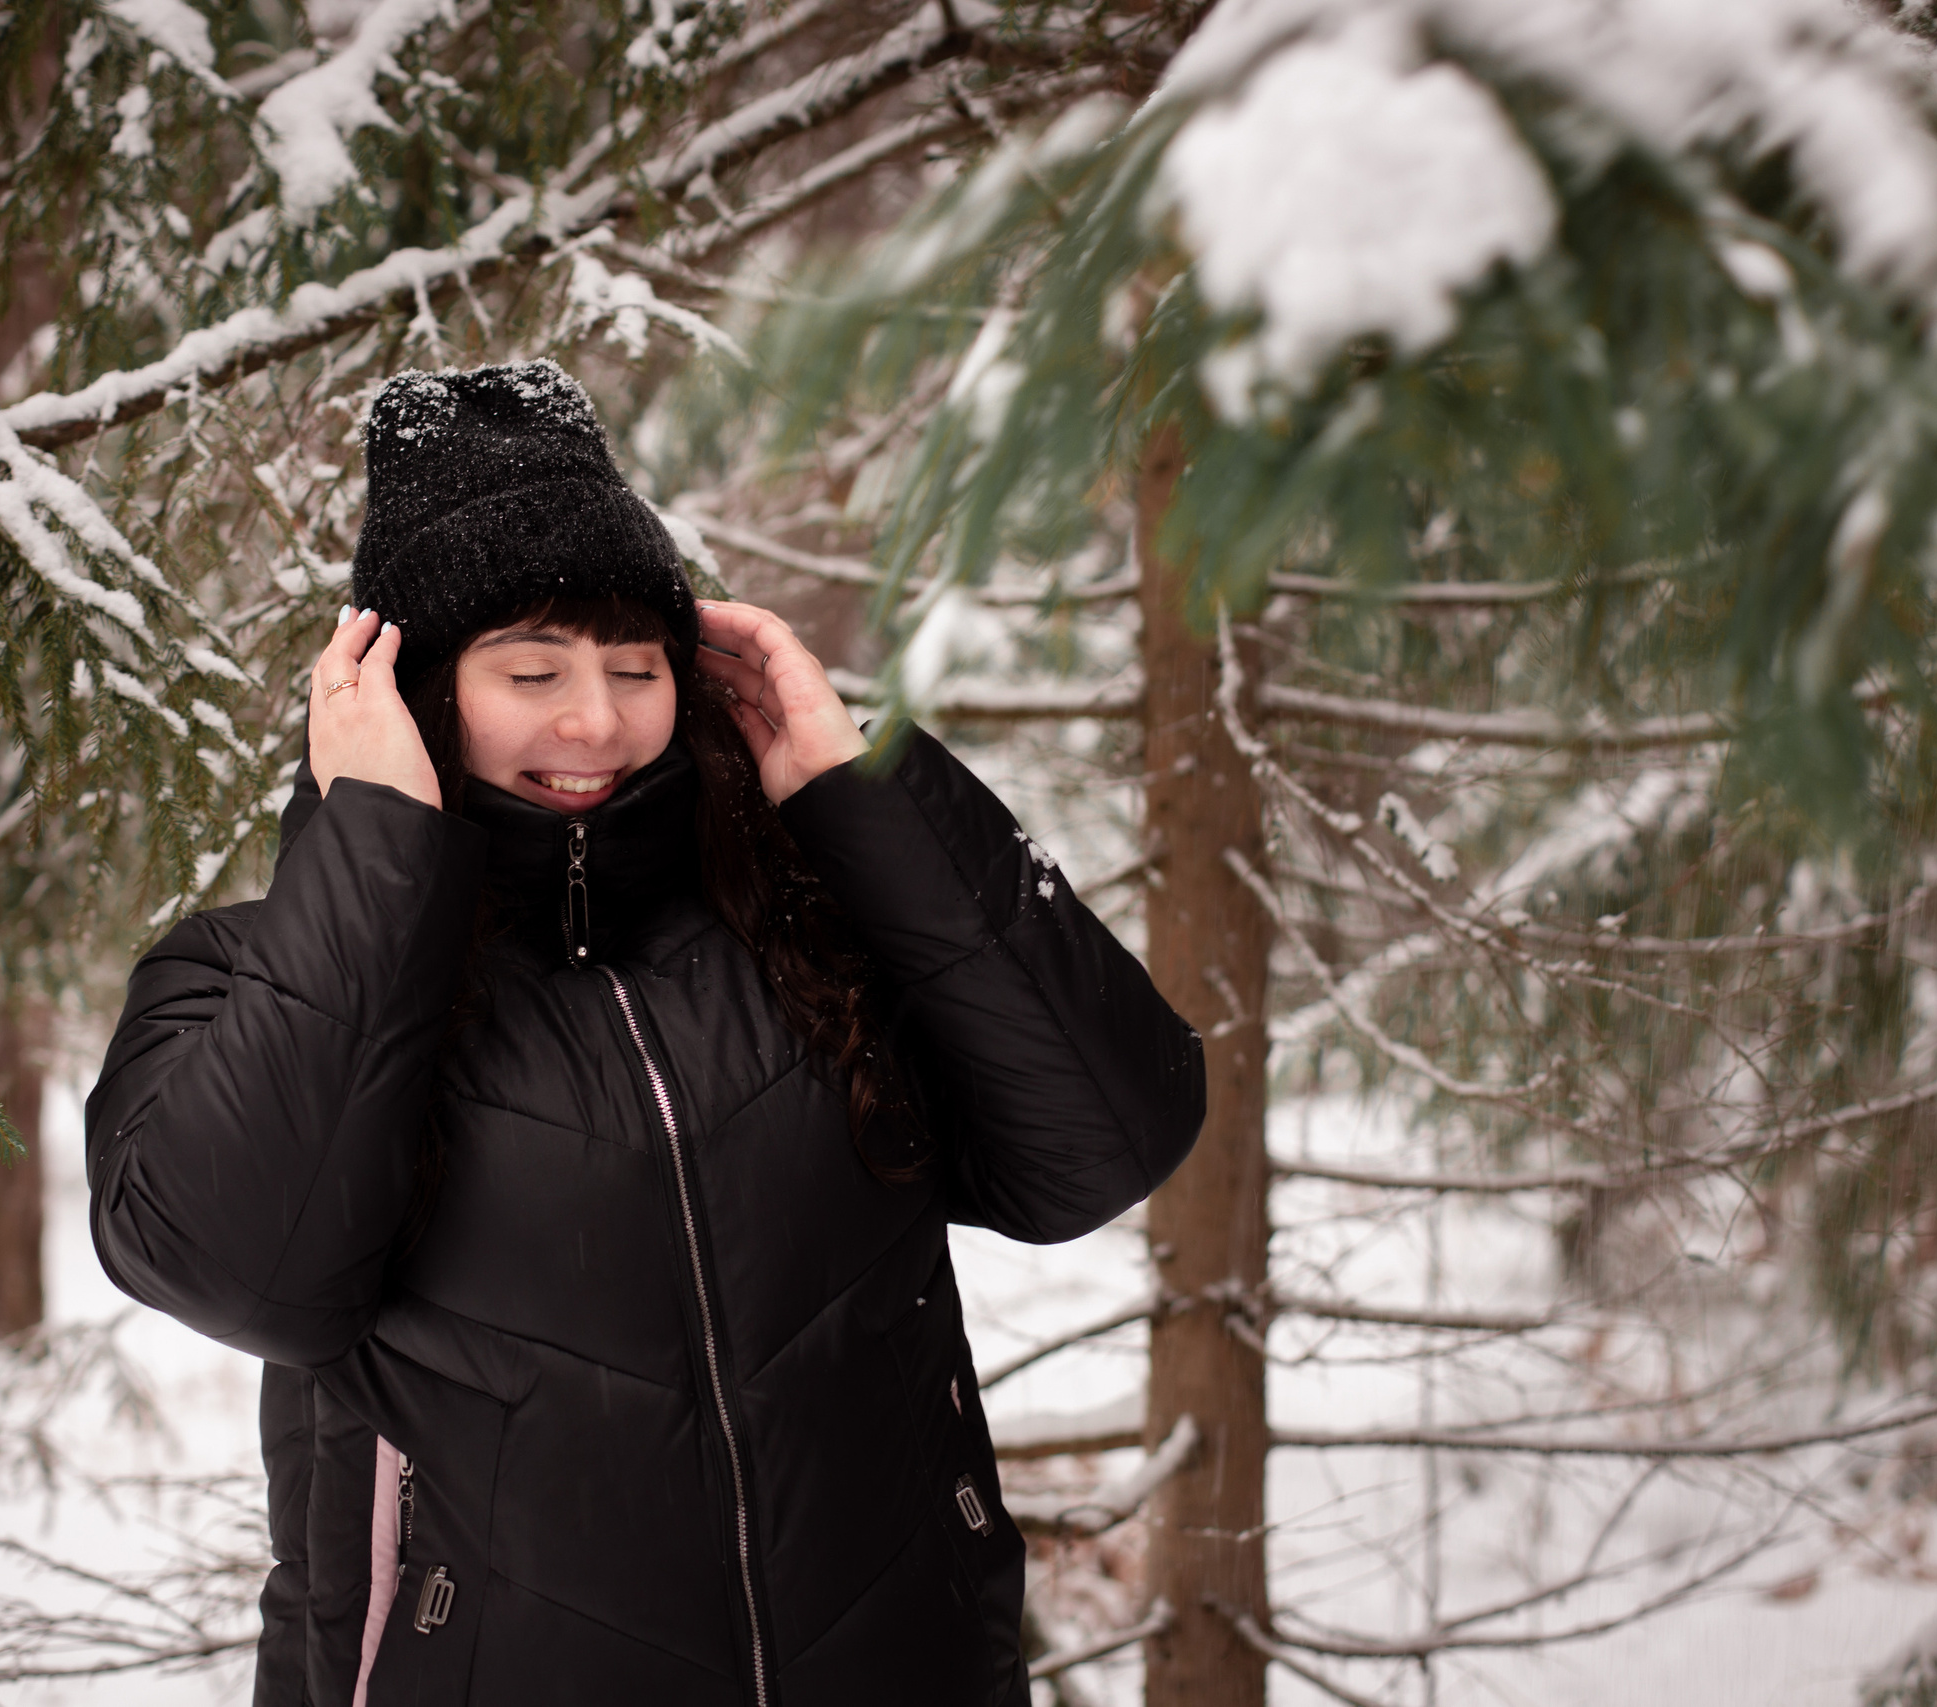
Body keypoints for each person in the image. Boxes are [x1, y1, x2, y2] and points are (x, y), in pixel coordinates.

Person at [85, 359, 1205, 1707]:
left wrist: (866, 793)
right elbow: (242, 1272)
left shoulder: (806, 923)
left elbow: (1104, 1140)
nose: (596, 718)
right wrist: (376, 850)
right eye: (531, 667)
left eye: (636, 664)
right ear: (412, 687)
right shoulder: (257, 976)